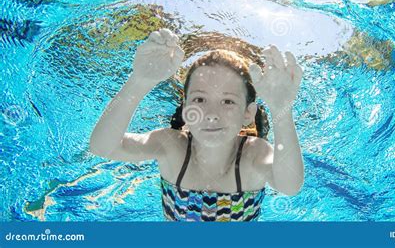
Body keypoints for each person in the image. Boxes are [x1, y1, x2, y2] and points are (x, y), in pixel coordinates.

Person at [89, 28, 304, 221]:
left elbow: (290, 185)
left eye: (228, 101)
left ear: (248, 113)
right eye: (200, 100)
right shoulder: (171, 146)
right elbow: (103, 147)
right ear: (185, 108)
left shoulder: (253, 153)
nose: (211, 115)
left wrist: (281, 111)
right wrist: (140, 80)